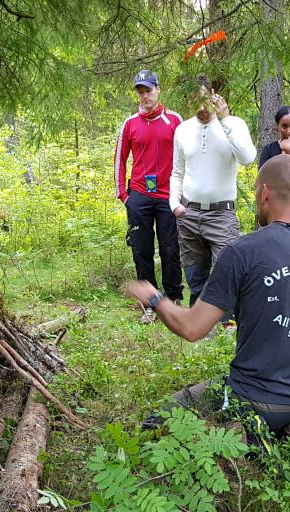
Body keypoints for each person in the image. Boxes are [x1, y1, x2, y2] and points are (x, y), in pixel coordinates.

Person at [126, 154, 290, 442]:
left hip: (252, 396)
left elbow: (192, 329)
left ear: (265, 192)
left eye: (257, 190)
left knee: (162, 416)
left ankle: (255, 431)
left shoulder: (242, 252)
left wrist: (155, 298)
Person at [169, 83, 257, 308]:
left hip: (222, 214)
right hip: (188, 213)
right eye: (196, 101)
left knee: (226, 268)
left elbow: (247, 158)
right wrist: (174, 204)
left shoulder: (233, 124)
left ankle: (225, 320)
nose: (202, 107)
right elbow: (177, 171)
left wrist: (225, 118)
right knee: (194, 271)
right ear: (188, 101)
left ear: (215, 98)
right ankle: (198, 319)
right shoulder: (183, 130)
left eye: (206, 100)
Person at [114, 69, 184, 324]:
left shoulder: (175, 120)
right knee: (141, 250)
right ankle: (149, 304)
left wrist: (181, 194)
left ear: (158, 90)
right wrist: (124, 195)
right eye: (140, 92)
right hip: (139, 196)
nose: (145, 96)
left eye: (149, 90)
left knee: (170, 248)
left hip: (168, 197)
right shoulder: (130, 123)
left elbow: (185, 157)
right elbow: (119, 160)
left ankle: (173, 299)